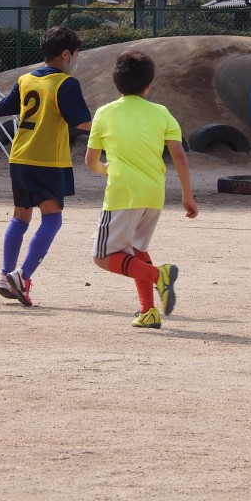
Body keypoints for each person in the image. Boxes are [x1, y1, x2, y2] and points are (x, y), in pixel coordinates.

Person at [85, 50, 198, 329]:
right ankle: (148, 311)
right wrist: (187, 195)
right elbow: (179, 155)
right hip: (154, 194)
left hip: (123, 194)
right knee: (136, 250)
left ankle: (159, 275)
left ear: (116, 83)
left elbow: (90, 161)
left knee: (102, 257)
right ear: (149, 84)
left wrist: (104, 169)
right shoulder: (162, 113)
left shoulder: (104, 113)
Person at [0, 25, 93, 307]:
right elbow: (83, 123)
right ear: (66, 54)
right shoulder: (66, 83)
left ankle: (5, 276)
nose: (77, 59)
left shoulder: (26, 79)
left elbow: (2, 108)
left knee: (20, 217)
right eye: (76, 54)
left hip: (19, 156)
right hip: (48, 160)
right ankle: (22, 277)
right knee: (52, 219)